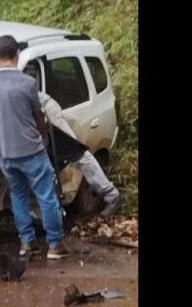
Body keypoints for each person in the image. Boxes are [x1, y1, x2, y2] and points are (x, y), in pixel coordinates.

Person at [0, 35, 70, 259]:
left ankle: (27, 243)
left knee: (18, 195)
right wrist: (45, 138)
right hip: (30, 150)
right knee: (46, 196)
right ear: (17, 55)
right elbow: (38, 116)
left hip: (4, 153)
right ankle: (55, 245)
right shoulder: (27, 83)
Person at [23, 61, 121, 216]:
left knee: (75, 152)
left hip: (45, 110)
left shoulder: (5, 75)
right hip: (30, 117)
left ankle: (110, 194)